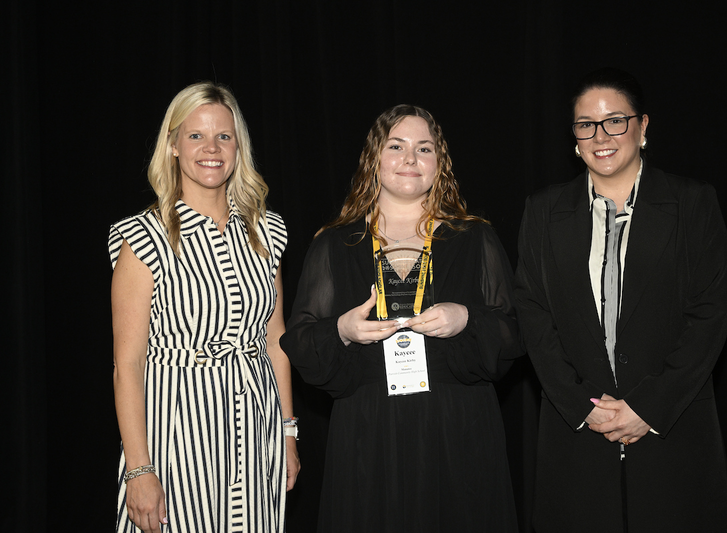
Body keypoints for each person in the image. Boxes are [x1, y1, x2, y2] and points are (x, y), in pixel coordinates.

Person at [281, 104, 523, 532]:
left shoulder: (474, 237)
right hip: (368, 435)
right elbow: (299, 342)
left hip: (459, 432)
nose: (410, 159)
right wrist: (343, 330)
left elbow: (514, 331)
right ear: (374, 159)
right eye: (396, 146)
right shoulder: (336, 243)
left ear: (439, 164)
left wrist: (466, 317)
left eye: (424, 148)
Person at [514, 67, 727, 532]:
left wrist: (648, 408)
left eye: (615, 120)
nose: (601, 136)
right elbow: (533, 315)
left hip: (671, 435)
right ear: (574, 136)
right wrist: (581, 407)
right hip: (577, 439)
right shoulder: (543, 211)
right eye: (586, 125)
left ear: (643, 125)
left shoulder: (693, 204)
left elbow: (709, 315)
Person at [109, 81, 299, 533]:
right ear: (173, 145)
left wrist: (288, 433)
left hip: (255, 428)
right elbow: (127, 364)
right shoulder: (143, 238)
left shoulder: (265, 231)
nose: (211, 148)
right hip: (174, 433)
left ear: (238, 146)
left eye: (224, 136)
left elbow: (275, 339)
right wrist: (139, 471)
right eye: (195, 135)